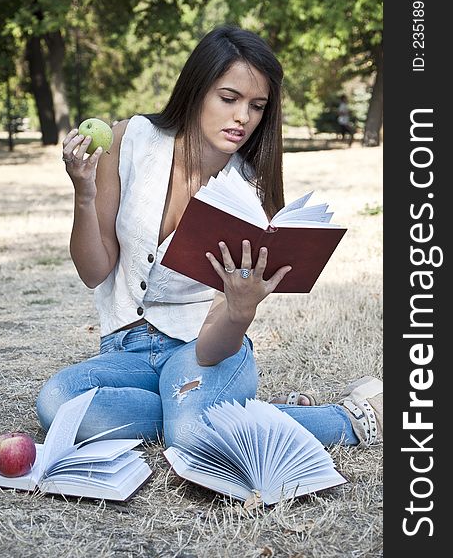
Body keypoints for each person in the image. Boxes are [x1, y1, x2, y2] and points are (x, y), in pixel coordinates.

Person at [36, 25, 382, 450]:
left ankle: (345, 419)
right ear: (197, 90)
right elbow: (94, 272)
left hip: (203, 352)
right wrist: (84, 195)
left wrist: (240, 311)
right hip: (126, 350)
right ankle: (228, 411)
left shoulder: (251, 196)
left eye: (257, 106)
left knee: (189, 433)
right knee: (58, 402)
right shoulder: (130, 140)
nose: (243, 118)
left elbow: (215, 345)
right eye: (229, 98)